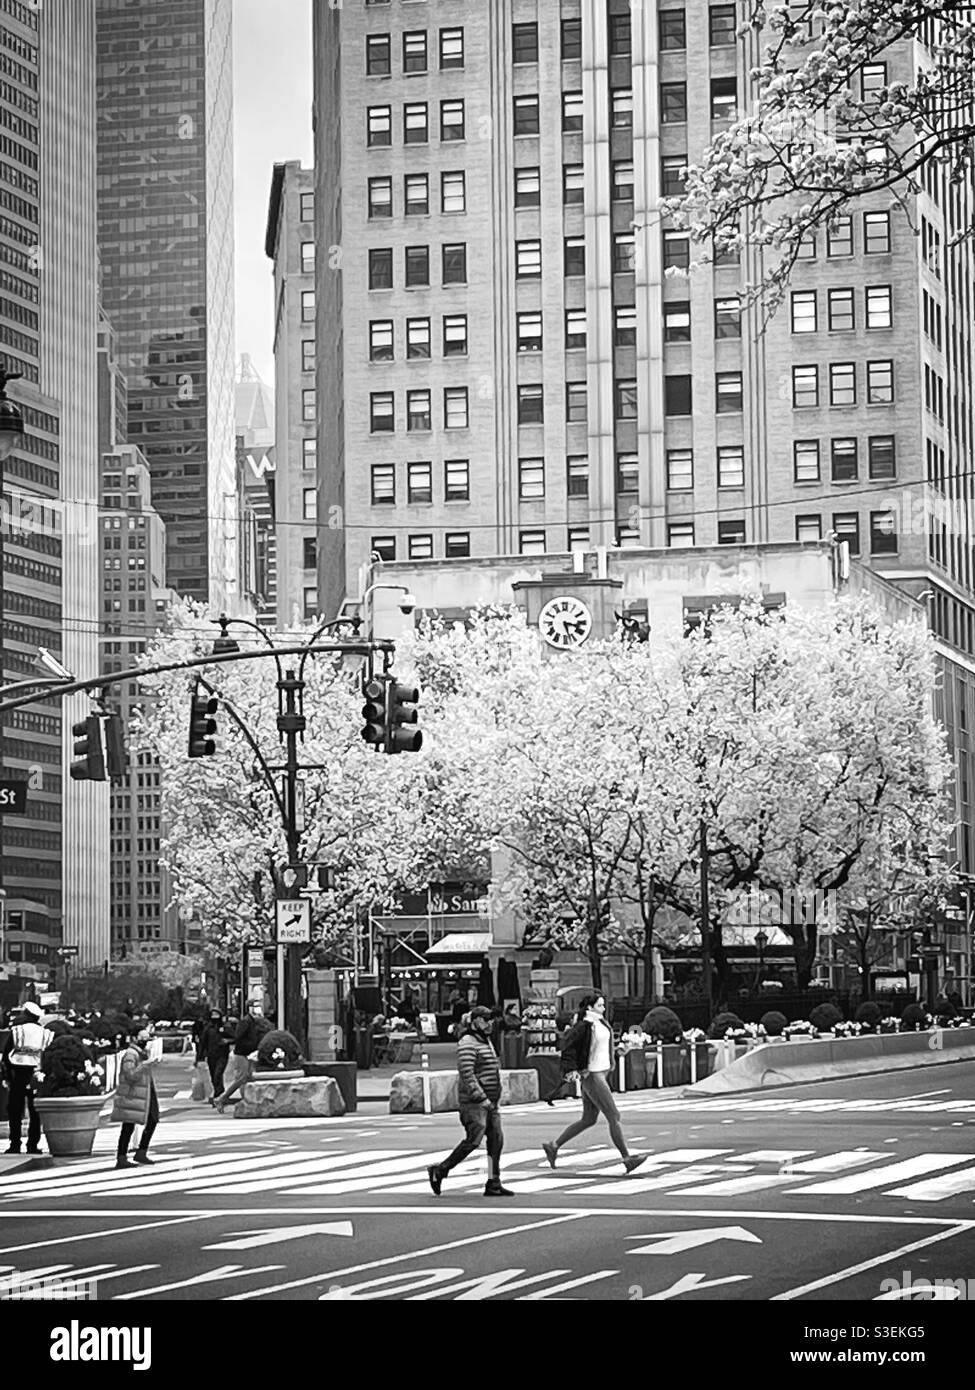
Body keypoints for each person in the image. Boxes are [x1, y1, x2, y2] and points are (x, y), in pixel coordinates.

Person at [542, 992, 646, 1174]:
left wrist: (620, 1051)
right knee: (614, 1116)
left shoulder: (600, 1024)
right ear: (590, 1008)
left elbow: (600, 1051)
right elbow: (569, 1048)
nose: (604, 1008)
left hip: (600, 1073)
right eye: (600, 1005)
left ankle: (554, 1145)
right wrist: (570, 1070)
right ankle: (627, 1158)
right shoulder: (584, 1026)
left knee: (588, 1119)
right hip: (592, 1075)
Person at [427, 1005, 513, 1198]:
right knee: (473, 1141)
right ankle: (440, 1170)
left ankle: (493, 1181)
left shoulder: (485, 1040)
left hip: (490, 1101)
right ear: (475, 1021)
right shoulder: (467, 1042)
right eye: (485, 1020)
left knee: (496, 1141)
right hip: (474, 1103)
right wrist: (481, 1097)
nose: (489, 1024)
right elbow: (467, 1074)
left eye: (491, 1020)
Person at [2, 1002, 53, 1155]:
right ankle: (32, 1145)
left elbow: (6, 1054)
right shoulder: (45, 1032)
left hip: (17, 1074)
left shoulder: (16, 1030)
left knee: (15, 1111)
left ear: (26, 1014)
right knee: (35, 1112)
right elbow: (48, 1056)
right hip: (37, 1075)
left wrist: (6, 1076)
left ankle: (15, 1144)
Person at [111, 1025, 162, 1169]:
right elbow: (130, 1075)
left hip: (144, 1092)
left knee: (152, 1119)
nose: (145, 1041)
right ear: (134, 1038)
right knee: (128, 1125)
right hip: (133, 1094)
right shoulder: (131, 1054)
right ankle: (121, 1157)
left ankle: (141, 1151)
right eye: (142, 1038)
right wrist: (145, 1065)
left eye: (147, 1038)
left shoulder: (141, 1053)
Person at [212, 1002, 271, 1113]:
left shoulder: (254, 1022)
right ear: (250, 1008)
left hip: (249, 1053)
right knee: (241, 1078)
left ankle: (247, 1100)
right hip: (242, 1054)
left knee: (249, 1078)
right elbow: (237, 1036)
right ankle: (222, 1098)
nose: (258, 1009)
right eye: (255, 1007)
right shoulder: (246, 1021)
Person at [196, 1009, 231, 1096]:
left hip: (222, 1054)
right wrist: (199, 1057)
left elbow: (235, 1037)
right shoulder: (208, 1028)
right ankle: (220, 1092)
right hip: (211, 1055)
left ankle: (218, 1094)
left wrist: (227, 1041)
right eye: (213, 1014)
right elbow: (203, 1043)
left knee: (218, 1074)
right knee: (213, 1076)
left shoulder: (225, 1026)